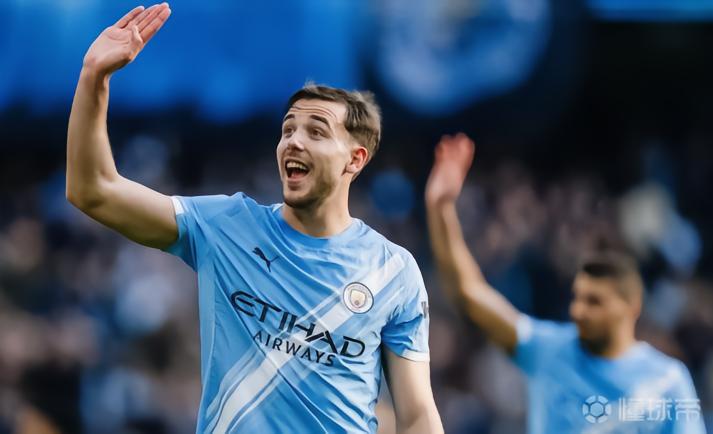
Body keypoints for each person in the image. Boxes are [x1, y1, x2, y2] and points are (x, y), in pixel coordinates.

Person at [66, 4, 443, 433]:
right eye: (288, 129)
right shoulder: (226, 226)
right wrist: (94, 77)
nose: (294, 141)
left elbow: (417, 415)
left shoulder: (393, 271)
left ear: (354, 160)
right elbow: (93, 190)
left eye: (316, 132)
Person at [424, 133, 706, 434]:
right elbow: (469, 294)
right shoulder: (547, 349)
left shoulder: (668, 381)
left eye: (595, 301)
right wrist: (441, 208)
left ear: (631, 306)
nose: (579, 310)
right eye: (579, 297)